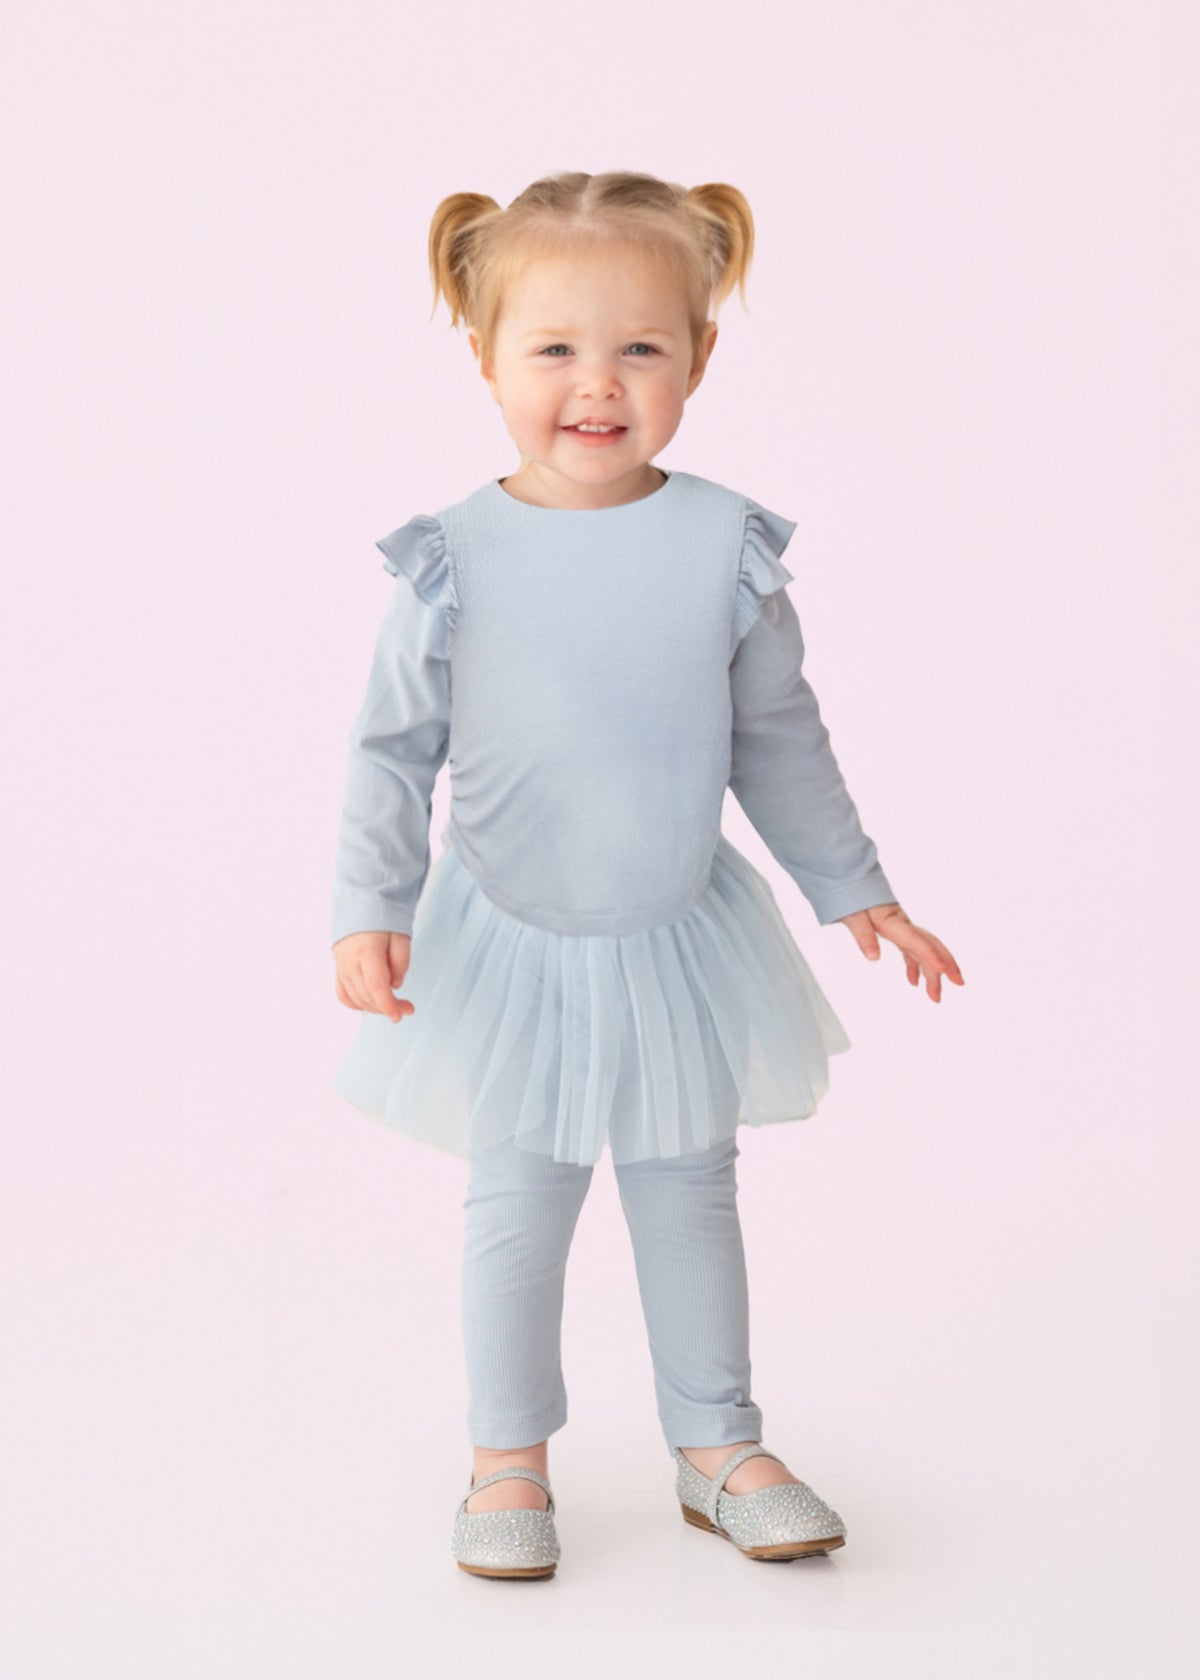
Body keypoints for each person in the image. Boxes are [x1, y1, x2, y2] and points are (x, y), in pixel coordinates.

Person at [329, 171, 964, 1578]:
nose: (596, 384)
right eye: (553, 348)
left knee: (690, 1188)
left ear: (700, 357)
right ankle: (507, 1457)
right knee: (521, 1194)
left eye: (639, 348)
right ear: (484, 355)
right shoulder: (455, 559)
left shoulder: (721, 548)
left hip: (678, 925)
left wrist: (856, 887)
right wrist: (368, 911)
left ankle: (718, 1445)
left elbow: (780, 740)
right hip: (509, 931)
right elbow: (391, 751)